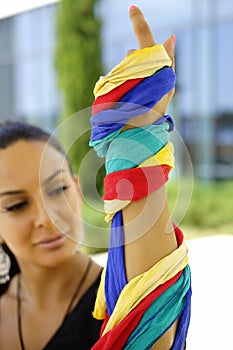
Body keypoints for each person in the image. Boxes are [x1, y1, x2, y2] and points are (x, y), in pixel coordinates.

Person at [0, 5, 191, 350]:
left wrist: (136, 134)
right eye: (15, 205)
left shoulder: (117, 301)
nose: (47, 217)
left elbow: (147, 328)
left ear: (76, 186)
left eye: (57, 189)